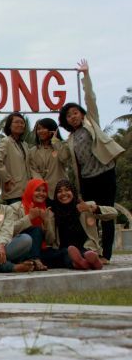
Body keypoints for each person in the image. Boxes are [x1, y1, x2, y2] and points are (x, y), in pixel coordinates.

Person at [58, 59, 124, 261]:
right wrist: (54, 139)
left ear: (82, 114)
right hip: (86, 180)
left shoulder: (91, 123)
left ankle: (107, 254)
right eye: (68, 116)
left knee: (106, 214)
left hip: (104, 174)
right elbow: (62, 157)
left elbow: (90, 99)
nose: (73, 117)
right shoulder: (70, 139)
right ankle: (92, 251)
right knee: (89, 216)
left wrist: (86, 76)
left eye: (75, 113)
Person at [48, 179, 118, 270]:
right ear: (56, 195)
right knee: (60, 253)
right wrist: (47, 221)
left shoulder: (85, 206)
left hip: (85, 247)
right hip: (64, 249)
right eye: (59, 191)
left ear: (73, 192)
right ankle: (88, 263)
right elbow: (50, 239)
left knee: (81, 253)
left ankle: (82, 262)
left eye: (67, 190)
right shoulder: (53, 213)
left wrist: (92, 209)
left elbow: (114, 213)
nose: (63, 194)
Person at [10, 178, 54, 271]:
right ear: (30, 190)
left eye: (44, 191)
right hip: (21, 250)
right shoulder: (15, 208)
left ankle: (82, 262)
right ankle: (34, 259)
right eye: (37, 190)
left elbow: (50, 240)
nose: (41, 193)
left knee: (63, 253)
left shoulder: (47, 212)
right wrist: (29, 217)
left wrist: (46, 220)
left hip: (40, 251)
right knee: (36, 229)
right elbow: (10, 230)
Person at [0, 112, 32, 204]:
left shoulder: (24, 144)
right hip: (14, 193)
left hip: (27, 192)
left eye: (22, 122)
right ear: (9, 125)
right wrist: (7, 178)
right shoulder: (6, 141)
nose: (20, 125)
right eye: (16, 122)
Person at [28, 118, 70, 200]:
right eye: (39, 129)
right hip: (43, 193)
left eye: (44, 128)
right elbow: (33, 170)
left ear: (51, 129)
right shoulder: (33, 151)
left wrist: (55, 141)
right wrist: (42, 185)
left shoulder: (62, 146)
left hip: (61, 191)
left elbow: (64, 158)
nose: (41, 131)